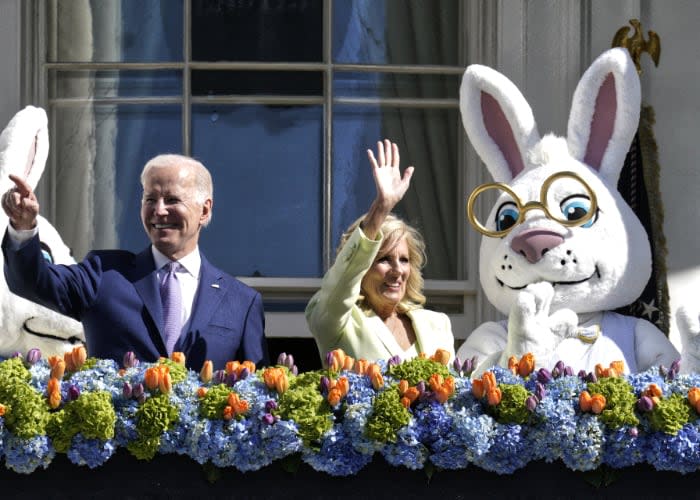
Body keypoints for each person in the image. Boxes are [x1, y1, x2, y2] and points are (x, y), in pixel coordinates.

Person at [2, 154, 268, 371]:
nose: (159, 210)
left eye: (172, 200)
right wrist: (23, 228)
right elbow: (31, 281)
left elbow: (258, 397)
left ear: (205, 210)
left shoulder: (241, 303)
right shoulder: (104, 274)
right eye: (150, 199)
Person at [306, 139, 455, 363]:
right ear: (362, 267)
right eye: (384, 259)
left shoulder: (437, 324)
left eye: (404, 260)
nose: (397, 270)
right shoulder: (337, 322)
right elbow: (341, 280)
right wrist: (381, 209)